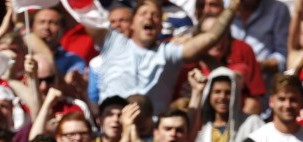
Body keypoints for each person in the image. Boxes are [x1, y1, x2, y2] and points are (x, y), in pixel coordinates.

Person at [82, 0, 242, 116]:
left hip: (153, 133)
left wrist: (232, 7)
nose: (149, 18)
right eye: (143, 13)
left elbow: (212, 37)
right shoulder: (113, 41)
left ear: (160, 26)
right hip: (113, 127)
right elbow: (83, 15)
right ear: (132, 23)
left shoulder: (168, 53)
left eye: (155, 15)